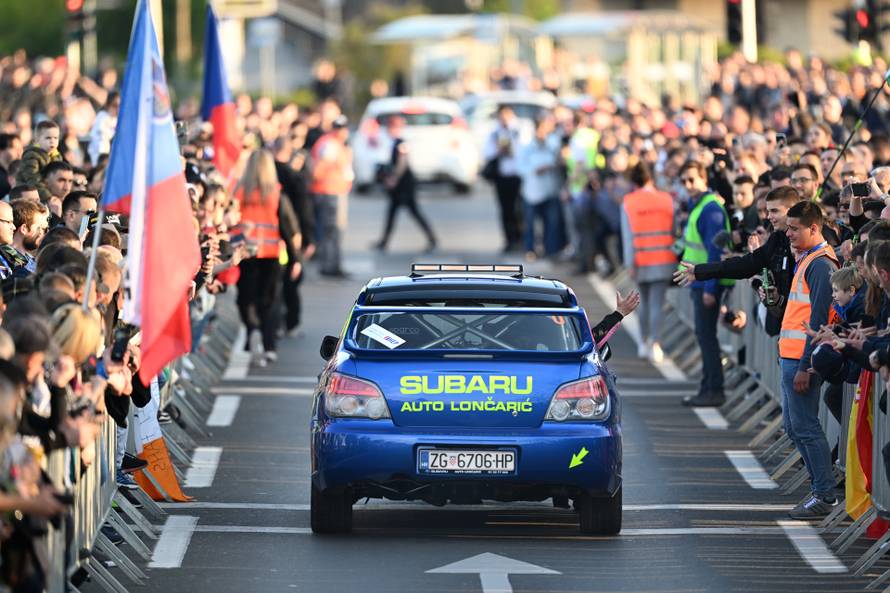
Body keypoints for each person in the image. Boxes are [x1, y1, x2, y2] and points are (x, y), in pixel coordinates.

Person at [674, 186, 801, 337]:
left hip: (804, 331)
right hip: (787, 331)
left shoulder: (808, 242)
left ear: (792, 210)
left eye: (775, 211)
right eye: (768, 211)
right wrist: (699, 271)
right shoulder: (777, 238)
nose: (768, 217)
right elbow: (744, 265)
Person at [780, 201, 840, 519]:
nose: (788, 233)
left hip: (801, 360)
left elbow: (817, 318)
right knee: (793, 426)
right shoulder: (807, 259)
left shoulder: (820, 264)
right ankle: (819, 487)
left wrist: (806, 365)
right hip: (791, 357)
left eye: (794, 228)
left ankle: (824, 494)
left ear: (813, 228)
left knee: (805, 426)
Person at [234, 149, 301, 366]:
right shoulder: (276, 193)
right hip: (271, 255)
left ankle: (252, 329)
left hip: (245, 254)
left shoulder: (239, 193)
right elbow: (287, 229)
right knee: (269, 301)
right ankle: (268, 345)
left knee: (246, 298)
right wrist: (295, 259)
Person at [676, 160, 734, 407]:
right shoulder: (698, 206)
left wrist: (710, 287)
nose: (688, 185)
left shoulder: (709, 209)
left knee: (707, 337)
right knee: (704, 336)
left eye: (692, 179)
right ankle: (707, 387)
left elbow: (714, 249)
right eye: (684, 181)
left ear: (704, 179)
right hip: (698, 282)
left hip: (706, 283)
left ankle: (714, 390)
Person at [621, 161, 675, 363]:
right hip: (663, 258)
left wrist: (629, 264)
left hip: (640, 259)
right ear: (651, 178)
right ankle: (655, 343)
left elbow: (628, 238)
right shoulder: (666, 199)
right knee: (657, 304)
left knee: (642, 303)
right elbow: (674, 229)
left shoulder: (629, 202)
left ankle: (643, 343)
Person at [373, 116, 437, 253]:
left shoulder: (401, 143)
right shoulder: (394, 142)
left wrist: (394, 178)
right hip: (398, 186)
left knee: (414, 212)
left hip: (405, 185)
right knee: (392, 213)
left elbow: (402, 163)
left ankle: (432, 238)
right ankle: (384, 241)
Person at [309, 116, 352, 278]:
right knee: (333, 230)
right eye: (341, 128)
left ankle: (332, 264)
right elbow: (318, 170)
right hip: (330, 193)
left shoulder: (334, 143)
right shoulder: (330, 144)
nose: (344, 132)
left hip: (333, 191)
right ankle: (330, 266)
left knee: (333, 231)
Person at [516, 116, 560, 260]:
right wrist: (535, 170)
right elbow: (521, 167)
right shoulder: (527, 146)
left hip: (549, 189)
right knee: (530, 223)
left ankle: (550, 249)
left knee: (550, 222)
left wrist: (550, 166)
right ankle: (530, 249)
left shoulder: (552, 144)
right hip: (532, 191)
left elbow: (558, 161)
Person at [483, 105, 524, 253]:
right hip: (501, 177)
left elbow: (523, 151)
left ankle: (521, 238)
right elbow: (487, 153)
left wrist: (512, 148)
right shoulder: (494, 133)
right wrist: (498, 151)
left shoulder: (520, 131)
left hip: (517, 176)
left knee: (518, 209)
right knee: (505, 210)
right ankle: (509, 239)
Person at [15, 120, 62, 201]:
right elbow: (33, 179)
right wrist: (48, 197)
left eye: (56, 138)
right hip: (28, 196)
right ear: (37, 140)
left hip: (48, 194)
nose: (52, 141)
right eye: (48, 138)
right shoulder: (31, 155)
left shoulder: (56, 156)